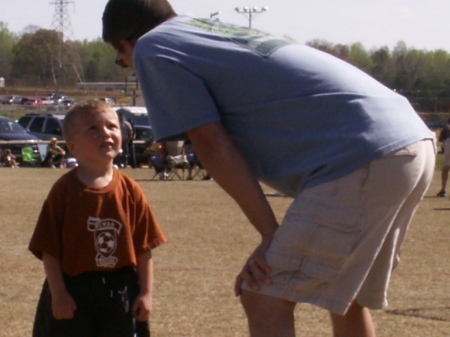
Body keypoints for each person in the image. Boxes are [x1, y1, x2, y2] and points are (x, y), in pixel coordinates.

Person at [102, 2, 436, 336]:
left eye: (121, 61)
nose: (128, 67)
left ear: (126, 43)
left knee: (261, 293)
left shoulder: (152, 45)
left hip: (364, 153)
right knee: (346, 296)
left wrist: (269, 232)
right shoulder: (202, 31)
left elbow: (211, 144)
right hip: (409, 138)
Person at [28, 100, 167, 337]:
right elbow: (49, 250)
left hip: (120, 290)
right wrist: (59, 294)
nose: (106, 133)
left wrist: (146, 293)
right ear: (73, 146)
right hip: (72, 289)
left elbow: (144, 249)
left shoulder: (130, 189)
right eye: (93, 129)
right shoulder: (64, 191)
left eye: (112, 126)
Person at [436, 117, 450, 197]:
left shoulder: (446, 128)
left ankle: (443, 190)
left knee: (446, 167)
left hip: (448, 142)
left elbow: (441, 140)